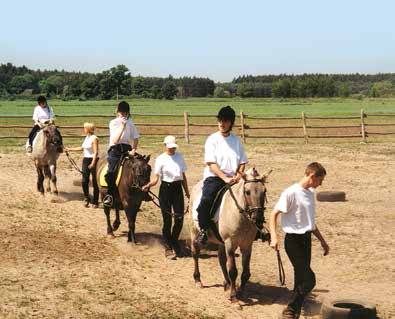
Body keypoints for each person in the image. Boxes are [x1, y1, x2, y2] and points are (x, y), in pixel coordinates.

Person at [269, 162, 330, 319]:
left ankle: (295, 311)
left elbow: (310, 222)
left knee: (300, 276)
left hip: (306, 239)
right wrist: (274, 236)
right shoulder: (290, 192)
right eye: (320, 180)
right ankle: (291, 308)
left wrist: (322, 241)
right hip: (293, 241)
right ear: (312, 176)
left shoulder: (309, 193)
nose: (320, 184)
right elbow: (273, 214)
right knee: (310, 279)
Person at [196, 106, 248, 244]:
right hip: (215, 178)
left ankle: (255, 229)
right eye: (220, 120)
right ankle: (203, 230)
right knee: (206, 201)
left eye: (225, 121)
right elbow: (211, 163)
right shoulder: (212, 139)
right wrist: (225, 178)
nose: (221, 123)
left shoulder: (236, 141)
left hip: (234, 178)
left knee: (252, 196)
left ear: (231, 123)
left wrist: (238, 174)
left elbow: (242, 161)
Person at [142, 136, 190, 258]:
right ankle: (167, 246)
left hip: (178, 189)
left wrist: (187, 192)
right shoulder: (160, 159)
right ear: (165, 146)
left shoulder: (179, 157)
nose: (172, 149)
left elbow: (183, 176)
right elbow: (155, 178)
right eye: (170, 147)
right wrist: (148, 185)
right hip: (165, 190)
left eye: (173, 147)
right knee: (167, 219)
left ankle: (174, 240)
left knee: (179, 218)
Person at [103, 101, 139, 207]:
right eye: (121, 113)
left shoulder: (130, 122)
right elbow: (115, 140)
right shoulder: (113, 122)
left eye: (125, 114)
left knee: (140, 167)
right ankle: (109, 196)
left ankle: (140, 192)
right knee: (111, 171)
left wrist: (134, 149)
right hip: (115, 149)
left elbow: (136, 137)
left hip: (127, 148)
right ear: (117, 112)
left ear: (128, 113)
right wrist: (122, 127)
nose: (123, 115)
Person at [64, 122, 99, 208]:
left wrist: (93, 163)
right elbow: (81, 148)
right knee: (84, 180)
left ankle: (95, 201)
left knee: (95, 181)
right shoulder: (87, 138)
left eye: (84, 128)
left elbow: (96, 152)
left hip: (93, 160)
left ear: (88, 129)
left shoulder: (94, 138)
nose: (83, 129)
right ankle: (86, 198)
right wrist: (70, 149)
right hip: (86, 160)